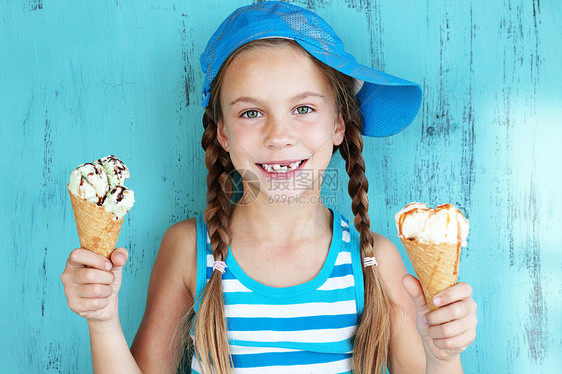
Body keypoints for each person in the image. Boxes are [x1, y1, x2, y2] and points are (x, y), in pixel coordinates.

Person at [61, 2, 477, 373]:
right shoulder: (189, 250)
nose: (280, 135)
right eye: (252, 112)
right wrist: (102, 319)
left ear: (338, 125)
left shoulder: (373, 263)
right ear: (222, 133)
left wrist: (442, 354)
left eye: (303, 108)